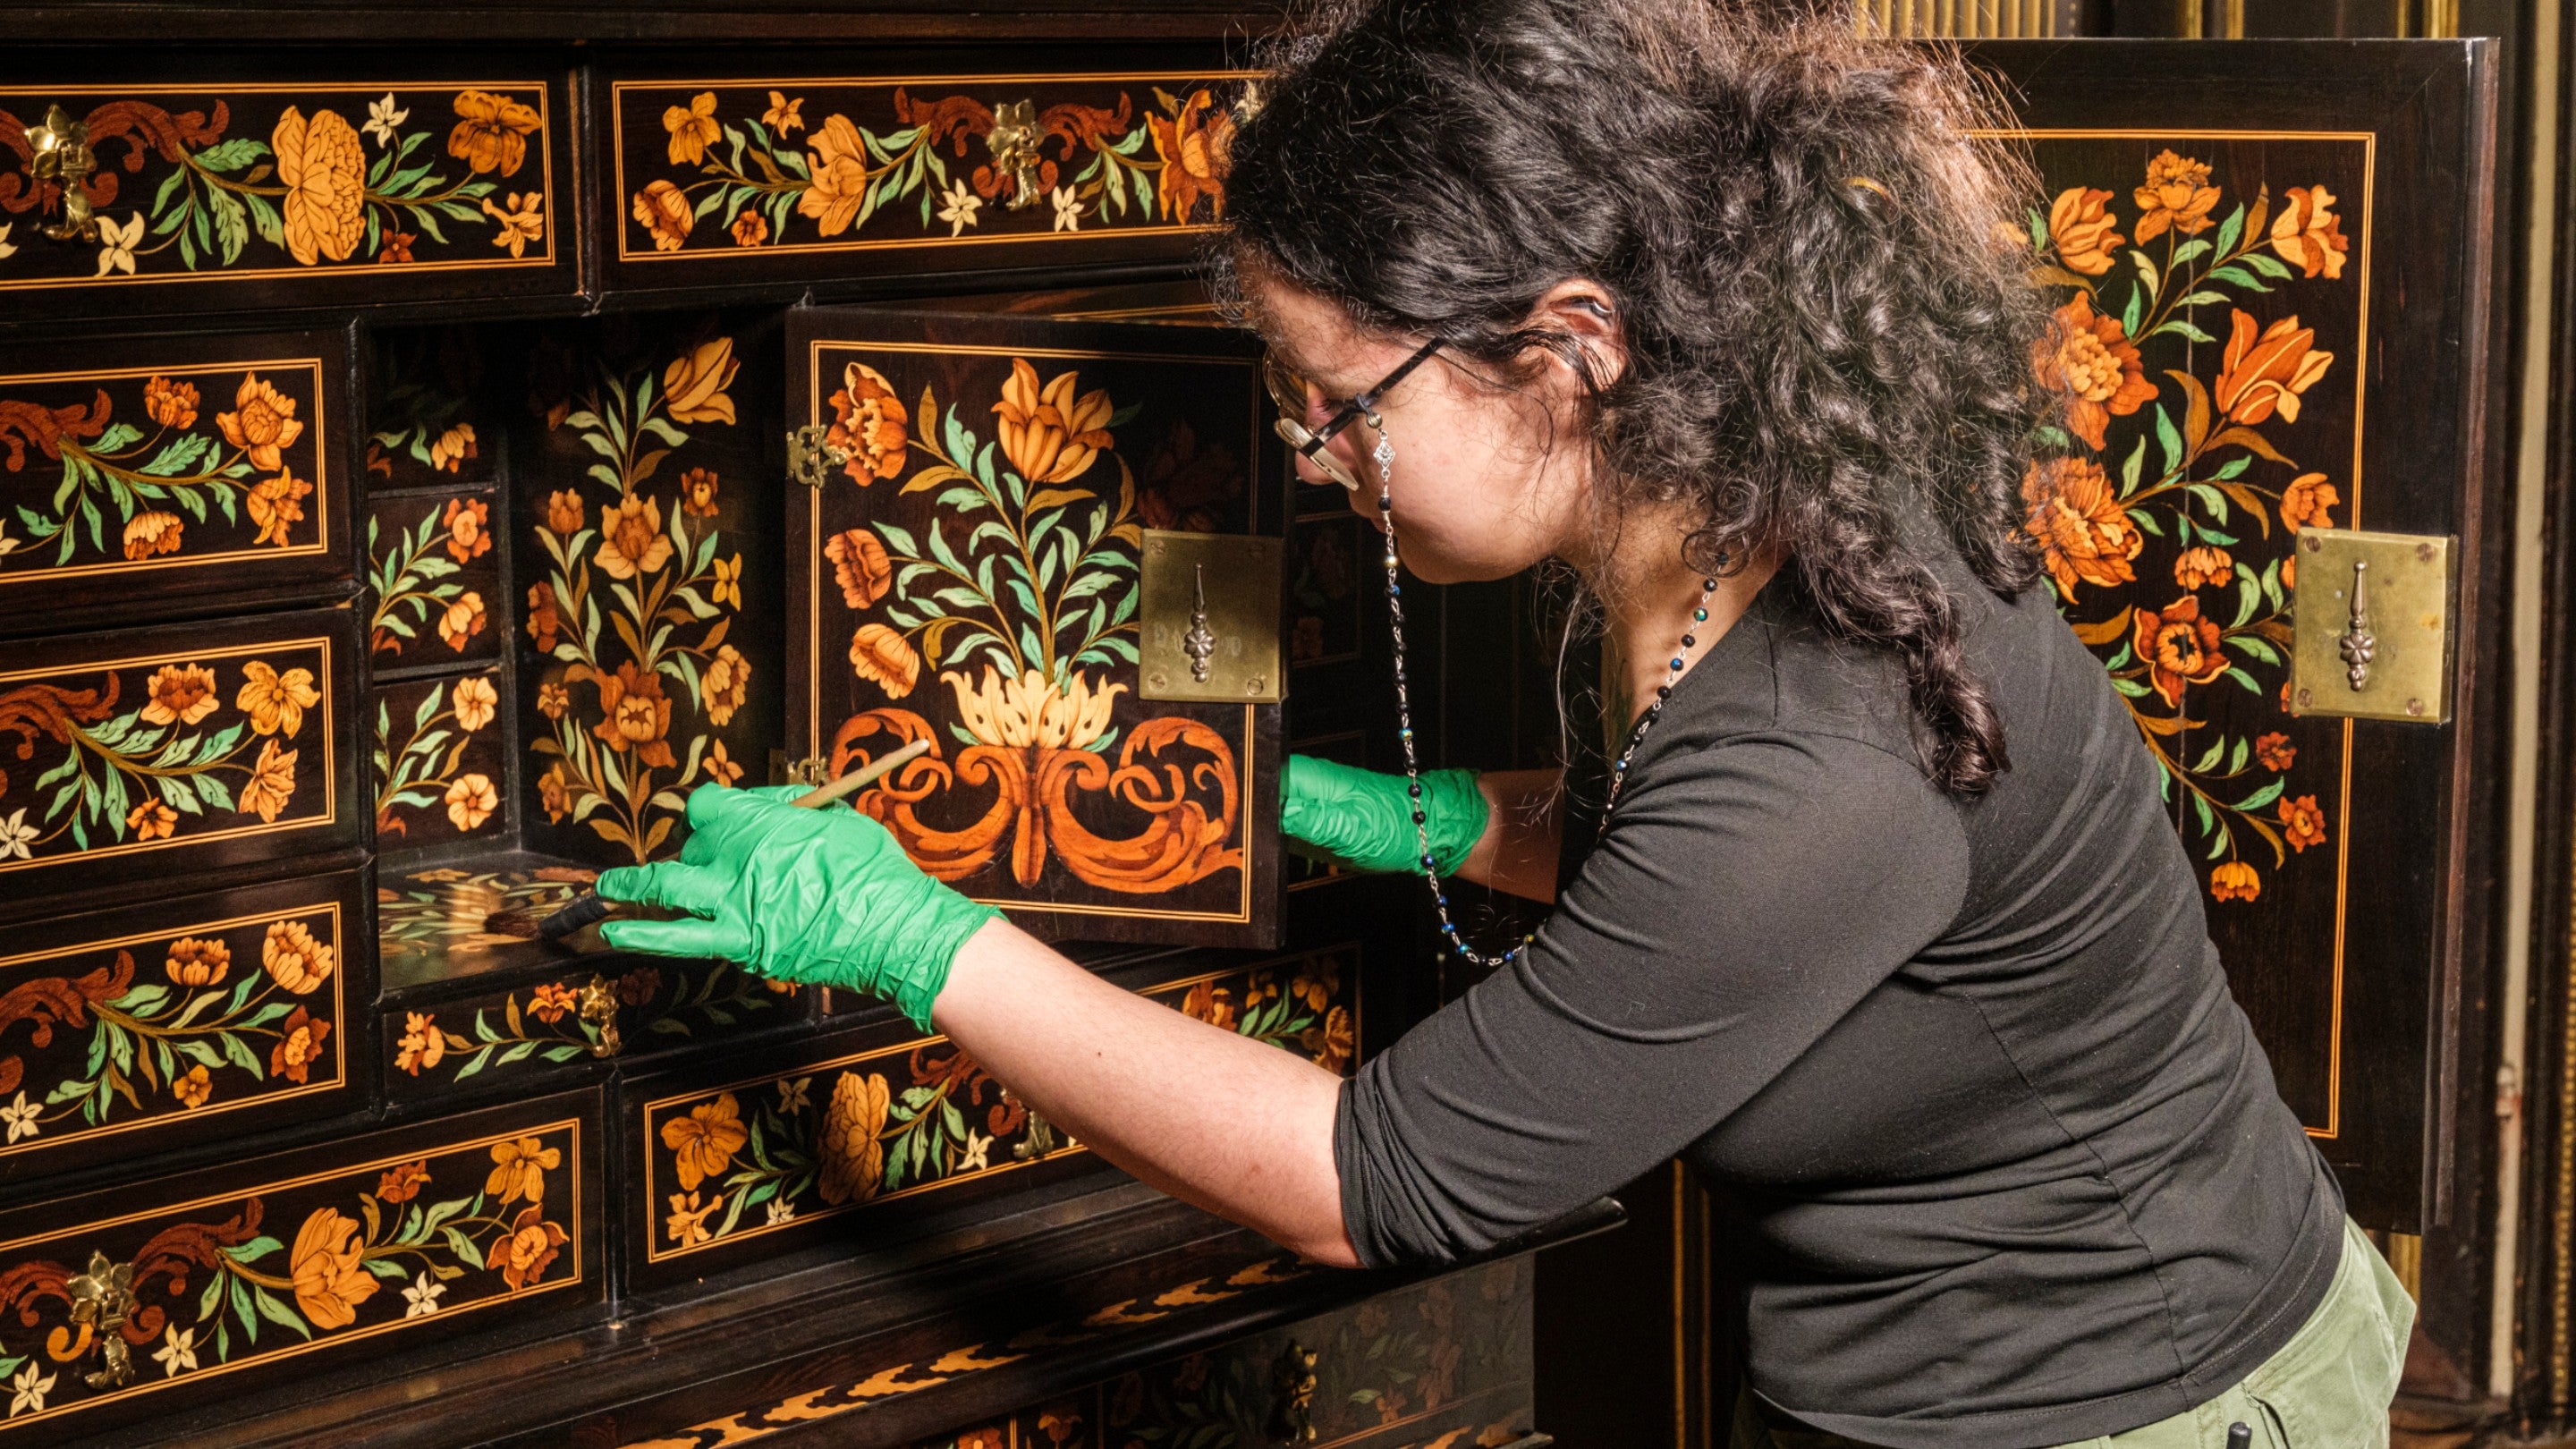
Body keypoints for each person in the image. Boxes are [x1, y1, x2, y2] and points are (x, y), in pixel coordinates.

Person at [596, 2, 2415, 1445]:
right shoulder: (1737, 518)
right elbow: (1706, 857)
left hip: (2129, 1404)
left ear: (1569, 348)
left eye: (1341, 404)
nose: (1313, 462)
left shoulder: (1821, 750)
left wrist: (913, 938)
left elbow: (1364, 1179)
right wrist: (1446, 823)